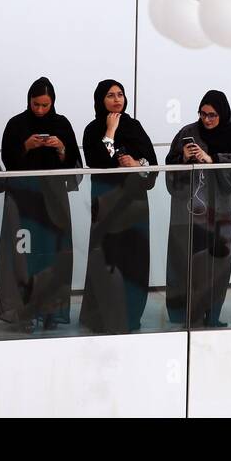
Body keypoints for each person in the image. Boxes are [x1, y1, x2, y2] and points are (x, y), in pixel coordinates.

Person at [0, 77, 82, 332]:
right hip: (23, 200)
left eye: (46, 105)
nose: (41, 110)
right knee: (24, 254)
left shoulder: (61, 124)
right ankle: (24, 312)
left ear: (53, 102)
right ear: (29, 101)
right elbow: (9, 162)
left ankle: (50, 311)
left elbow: (73, 162)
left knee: (52, 254)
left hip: (53, 200)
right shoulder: (16, 124)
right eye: (36, 105)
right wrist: (26, 145)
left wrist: (62, 148)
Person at [164, 90, 231, 327]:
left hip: (220, 210)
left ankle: (212, 315)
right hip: (189, 213)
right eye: (203, 114)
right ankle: (185, 316)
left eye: (212, 115)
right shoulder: (188, 133)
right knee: (186, 263)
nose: (207, 120)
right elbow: (169, 164)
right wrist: (183, 157)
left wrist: (212, 159)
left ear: (222, 113)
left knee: (217, 262)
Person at [80, 79, 157, 334]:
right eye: (110, 95)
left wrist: (136, 163)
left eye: (120, 94)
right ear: (100, 100)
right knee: (107, 259)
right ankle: (103, 318)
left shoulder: (134, 127)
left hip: (134, 205)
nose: (117, 99)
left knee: (133, 259)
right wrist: (110, 132)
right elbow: (99, 160)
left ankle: (130, 316)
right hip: (106, 205)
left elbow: (152, 164)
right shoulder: (93, 129)